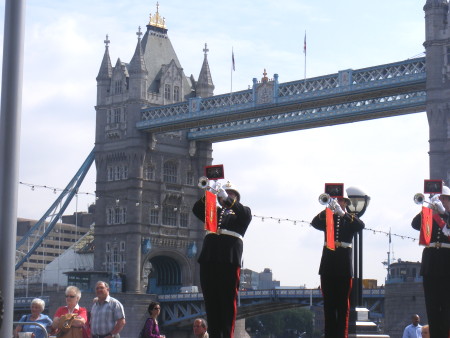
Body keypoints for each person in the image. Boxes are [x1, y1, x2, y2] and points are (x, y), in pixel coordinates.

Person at [192, 180, 252, 338]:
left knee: (226, 303)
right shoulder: (214, 213)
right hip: (209, 258)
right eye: (226, 193)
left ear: (236, 198)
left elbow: (245, 214)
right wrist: (210, 193)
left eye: (232, 194)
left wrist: (228, 199)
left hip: (228, 259)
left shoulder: (241, 212)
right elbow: (197, 209)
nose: (227, 196)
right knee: (211, 302)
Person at [311, 191, 365, 338]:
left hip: (343, 267)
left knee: (343, 307)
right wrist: (327, 208)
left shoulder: (350, 219)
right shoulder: (328, 219)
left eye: (341, 201)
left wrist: (342, 214)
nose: (338, 203)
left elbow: (360, 225)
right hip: (328, 266)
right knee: (328, 306)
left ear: (346, 203)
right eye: (336, 201)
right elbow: (314, 223)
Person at [412, 186, 450, 338]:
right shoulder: (429, 215)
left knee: (447, 309)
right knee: (432, 309)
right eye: (439, 199)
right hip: (431, 266)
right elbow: (415, 224)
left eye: (444, 198)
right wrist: (427, 208)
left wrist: (444, 212)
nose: (440, 201)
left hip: (447, 265)